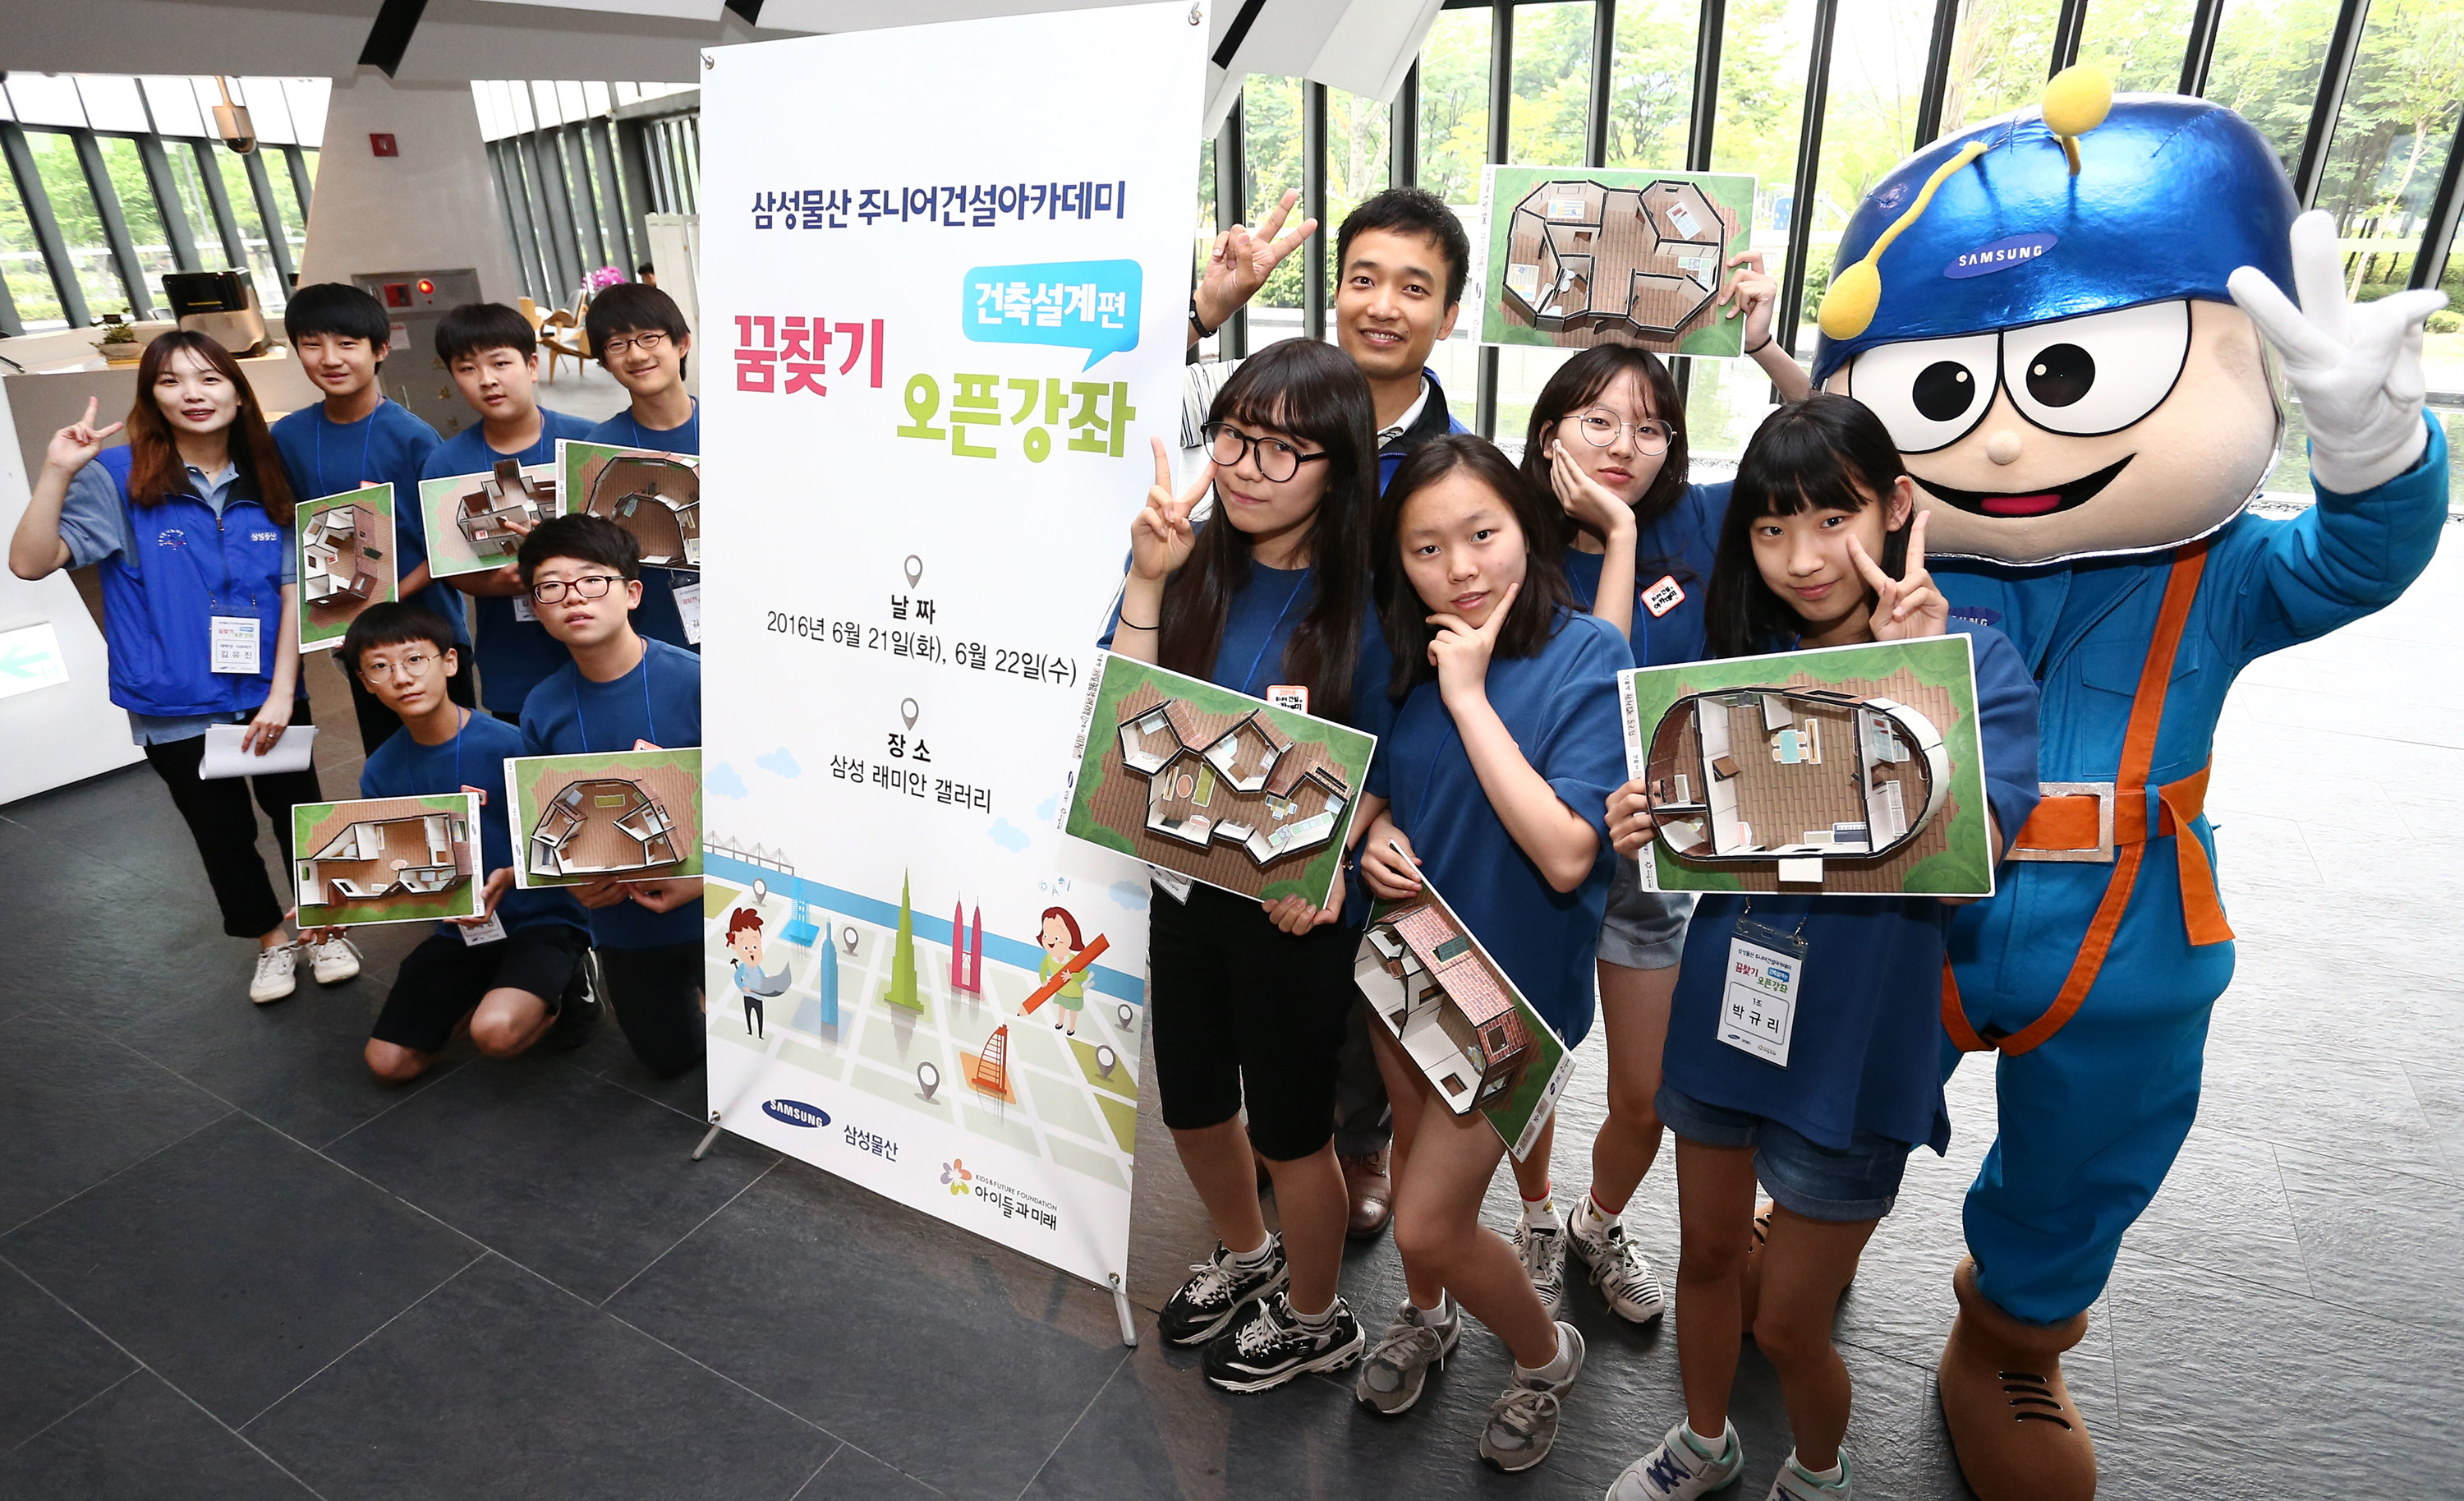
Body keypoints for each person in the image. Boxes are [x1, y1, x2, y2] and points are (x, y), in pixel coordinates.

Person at [1800, 81, 2448, 1499]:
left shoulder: (2213, 573)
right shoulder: (1892, 562)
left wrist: (2373, 452)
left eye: (2075, 373)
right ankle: (1806, 1283)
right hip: (1900, 898)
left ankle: (2013, 1337)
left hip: (2126, 914)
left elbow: (2353, 563)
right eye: (1951, 390)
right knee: (1834, 1098)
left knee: (2095, 1134)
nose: (2014, 439)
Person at [1602, 394, 2039, 1501]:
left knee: (1789, 1319)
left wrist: (1908, 682)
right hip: (1724, 1004)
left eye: (1832, 518)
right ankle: (1705, 1441)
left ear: (1897, 506)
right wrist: (1642, 819)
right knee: (1707, 1257)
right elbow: (1695, 823)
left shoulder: (1974, 667)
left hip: (1859, 1044)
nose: (1803, 558)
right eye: (1769, 526)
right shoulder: (1744, 661)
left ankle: (1822, 1469)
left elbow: (1975, 849)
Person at [1498, 266, 1814, 1323]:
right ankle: (1536, 1216)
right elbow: (1596, 684)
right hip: (1538, 852)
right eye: (1597, 420)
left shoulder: (1708, 523)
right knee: (1529, 1067)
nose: (1623, 445)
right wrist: (1615, 544)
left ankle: (1595, 1221)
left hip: (1661, 859)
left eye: (1650, 427)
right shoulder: (1500, 543)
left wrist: (1769, 348)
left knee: (1644, 1091)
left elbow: (1836, 451)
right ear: (1549, 433)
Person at [1105, 338, 1391, 1394]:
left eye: (1283, 450)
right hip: (1184, 884)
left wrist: (1343, 859)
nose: (1247, 467)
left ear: (1338, 467)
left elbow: (1393, 770)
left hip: (1291, 913)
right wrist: (1147, 575)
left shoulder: (1367, 601)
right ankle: (1246, 1253)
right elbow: (1122, 716)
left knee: (1294, 1136)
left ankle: (1318, 1317)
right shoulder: (1192, 563)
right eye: (1235, 436)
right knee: (1189, 1105)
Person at [1352, 435, 1627, 1473]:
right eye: (1428, 549)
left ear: (1530, 529)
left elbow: (1566, 854)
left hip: (1515, 995)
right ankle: (1428, 1323)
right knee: (1418, 1158)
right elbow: (1385, 787)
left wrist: (1469, 694)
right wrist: (1373, 831)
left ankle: (1549, 1356)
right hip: (1405, 961)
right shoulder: (1410, 651)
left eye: (1482, 535)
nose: (1462, 569)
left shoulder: (1589, 656)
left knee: (1427, 1224)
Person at [9, 335, 355, 1004]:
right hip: (172, 701)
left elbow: (292, 589)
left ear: (236, 390)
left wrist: (284, 693)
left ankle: (326, 929)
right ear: (152, 397)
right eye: (172, 381)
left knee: (300, 817)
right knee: (221, 834)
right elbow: (30, 561)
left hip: (267, 690)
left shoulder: (269, 472)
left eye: (209, 378)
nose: (193, 393)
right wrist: (55, 471)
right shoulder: (116, 476)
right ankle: (269, 942)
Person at [341, 602, 598, 1082]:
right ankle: (492, 987)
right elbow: (395, 868)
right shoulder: (380, 770)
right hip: (460, 929)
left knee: (496, 1035)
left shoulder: (512, 745)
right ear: (365, 683)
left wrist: (512, 875)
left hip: (542, 917)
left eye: (415, 659)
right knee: (388, 1063)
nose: (401, 677)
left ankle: (571, 980)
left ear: (450, 662)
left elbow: (575, 842)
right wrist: (338, 905)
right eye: (380, 667)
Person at [516, 513, 706, 1078]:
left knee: (760, 1041)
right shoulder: (541, 707)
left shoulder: (698, 682)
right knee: (670, 1061)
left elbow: (762, 805)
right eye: (552, 585)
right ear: (537, 606)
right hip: (623, 922)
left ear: (632, 592)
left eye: (592, 578)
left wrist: (701, 880)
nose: (574, 596)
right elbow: (545, 822)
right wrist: (575, 883)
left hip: (719, 902)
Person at [272, 281, 463, 755]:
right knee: (387, 750)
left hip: (426, 627)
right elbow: (293, 531)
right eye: (312, 344)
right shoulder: (290, 436)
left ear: (380, 349)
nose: (330, 358)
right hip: (356, 633)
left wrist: (386, 594)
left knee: (450, 751)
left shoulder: (414, 437)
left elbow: (449, 546)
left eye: (347, 343)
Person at [422, 302, 598, 720]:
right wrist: (506, 580)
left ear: (532, 365)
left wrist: (545, 573)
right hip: (514, 658)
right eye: (467, 369)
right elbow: (450, 567)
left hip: (597, 646)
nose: (487, 380)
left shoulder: (585, 440)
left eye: (501, 363)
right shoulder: (446, 465)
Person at [581, 281, 700, 655]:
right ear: (604, 361)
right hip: (646, 640)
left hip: (748, 627)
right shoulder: (596, 451)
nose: (635, 355)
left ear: (682, 342)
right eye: (617, 345)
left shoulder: (738, 430)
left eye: (649, 338)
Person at [1035, 907, 1087, 1037]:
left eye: (1057, 937)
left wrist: (1072, 976)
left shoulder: (1072, 959)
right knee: (1061, 1007)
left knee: (1073, 1010)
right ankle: (1060, 1022)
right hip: (1060, 990)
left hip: (1074, 993)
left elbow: (1084, 975)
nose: (1051, 942)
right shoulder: (1048, 958)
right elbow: (1043, 970)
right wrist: (1044, 981)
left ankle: (1072, 1027)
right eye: (1046, 936)